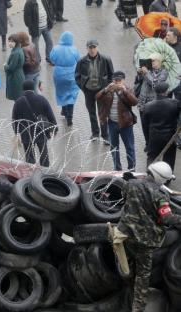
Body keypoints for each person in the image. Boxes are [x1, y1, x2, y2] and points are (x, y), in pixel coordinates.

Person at [109, 161, 181, 312]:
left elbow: (124, 198)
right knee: (143, 275)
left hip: (125, 235)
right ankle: (138, 307)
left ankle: (127, 286)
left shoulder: (131, 184)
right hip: (146, 241)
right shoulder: (161, 195)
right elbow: (167, 218)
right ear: (162, 178)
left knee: (127, 266)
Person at [96, 71, 138, 171]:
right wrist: (106, 89)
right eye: (116, 80)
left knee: (129, 147)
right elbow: (97, 97)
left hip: (126, 124)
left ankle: (131, 169)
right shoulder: (109, 90)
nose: (118, 82)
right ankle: (117, 168)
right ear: (112, 81)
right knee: (114, 148)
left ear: (123, 80)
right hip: (112, 124)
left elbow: (135, 102)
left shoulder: (128, 90)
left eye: (120, 80)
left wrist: (125, 91)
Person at [75, 39, 114, 142]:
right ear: (87, 48)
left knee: (102, 114)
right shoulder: (81, 61)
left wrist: (107, 88)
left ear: (97, 47)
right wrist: (83, 88)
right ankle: (95, 133)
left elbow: (111, 75)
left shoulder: (106, 59)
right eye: (90, 47)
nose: (92, 50)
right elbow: (77, 76)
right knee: (91, 113)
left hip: (101, 91)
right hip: (88, 91)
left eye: (94, 47)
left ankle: (105, 136)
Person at [12, 80, 57, 166]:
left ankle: (31, 172)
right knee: (44, 155)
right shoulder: (42, 99)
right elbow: (50, 115)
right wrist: (54, 128)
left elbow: (14, 120)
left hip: (26, 133)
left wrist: (17, 133)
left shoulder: (18, 102)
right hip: (40, 131)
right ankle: (45, 172)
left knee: (29, 156)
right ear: (33, 88)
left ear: (23, 89)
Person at [144, 82, 180, 169]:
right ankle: (167, 179)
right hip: (170, 137)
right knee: (169, 159)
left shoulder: (148, 106)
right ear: (166, 91)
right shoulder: (175, 103)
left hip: (154, 137)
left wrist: (148, 141)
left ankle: (150, 176)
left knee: (152, 158)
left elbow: (145, 126)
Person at [135, 52, 168, 146]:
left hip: (153, 103)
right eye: (150, 61)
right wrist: (139, 74)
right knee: (144, 125)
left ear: (159, 61)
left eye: (153, 60)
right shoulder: (148, 69)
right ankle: (147, 143)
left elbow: (156, 86)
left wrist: (147, 73)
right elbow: (138, 81)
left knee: (152, 125)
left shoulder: (164, 72)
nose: (151, 62)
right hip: (142, 102)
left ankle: (153, 144)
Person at [49, 31, 80, 126]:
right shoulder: (74, 49)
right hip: (71, 75)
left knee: (61, 93)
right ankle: (70, 117)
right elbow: (78, 60)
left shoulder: (55, 48)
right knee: (71, 95)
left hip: (59, 74)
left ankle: (64, 111)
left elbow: (52, 59)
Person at [23, 0, 54, 64]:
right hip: (36, 29)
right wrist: (31, 26)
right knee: (35, 45)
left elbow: (48, 9)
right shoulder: (29, 3)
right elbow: (26, 18)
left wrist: (51, 19)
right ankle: (37, 60)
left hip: (46, 26)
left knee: (49, 42)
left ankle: (49, 58)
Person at [5, 34, 25, 101]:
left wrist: (5, 66)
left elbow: (11, 67)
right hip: (19, 75)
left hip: (15, 77)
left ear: (16, 42)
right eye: (9, 41)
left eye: (12, 42)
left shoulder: (15, 53)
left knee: (17, 97)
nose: (10, 43)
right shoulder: (19, 50)